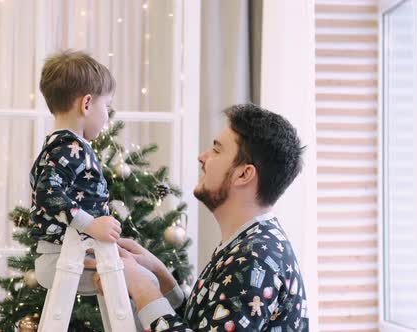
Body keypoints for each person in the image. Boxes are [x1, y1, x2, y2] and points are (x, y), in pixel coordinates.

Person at [92, 103, 309, 331]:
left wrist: (142, 287)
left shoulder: (257, 258)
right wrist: (162, 277)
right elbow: (209, 324)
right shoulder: (250, 243)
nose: (202, 157)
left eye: (216, 150)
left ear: (244, 174)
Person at [28, 50, 123, 295]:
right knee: (135, 282)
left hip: (72, 255)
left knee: (133, 271)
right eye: (107, 106)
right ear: (87, 103)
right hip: (64, 260)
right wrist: (90, 224)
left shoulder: (63, 147)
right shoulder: (69, 149)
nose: (107, 116)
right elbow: (47, 195)